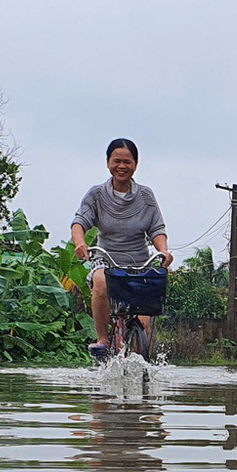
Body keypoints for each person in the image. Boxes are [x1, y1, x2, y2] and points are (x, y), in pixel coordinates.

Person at [72, 139, 171, 360]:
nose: (122, 166)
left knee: (144, 325)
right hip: (106, 259)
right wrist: (80, 243)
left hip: (139, 262)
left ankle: (141, 362)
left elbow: (157, 229)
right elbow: (80, 222)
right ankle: (103, 340)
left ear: (135, 164)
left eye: (127, 161)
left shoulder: (145, 196)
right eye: (116, 161)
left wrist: (163, 251)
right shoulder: (96, 194)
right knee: (100, 282)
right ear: (108, 163)